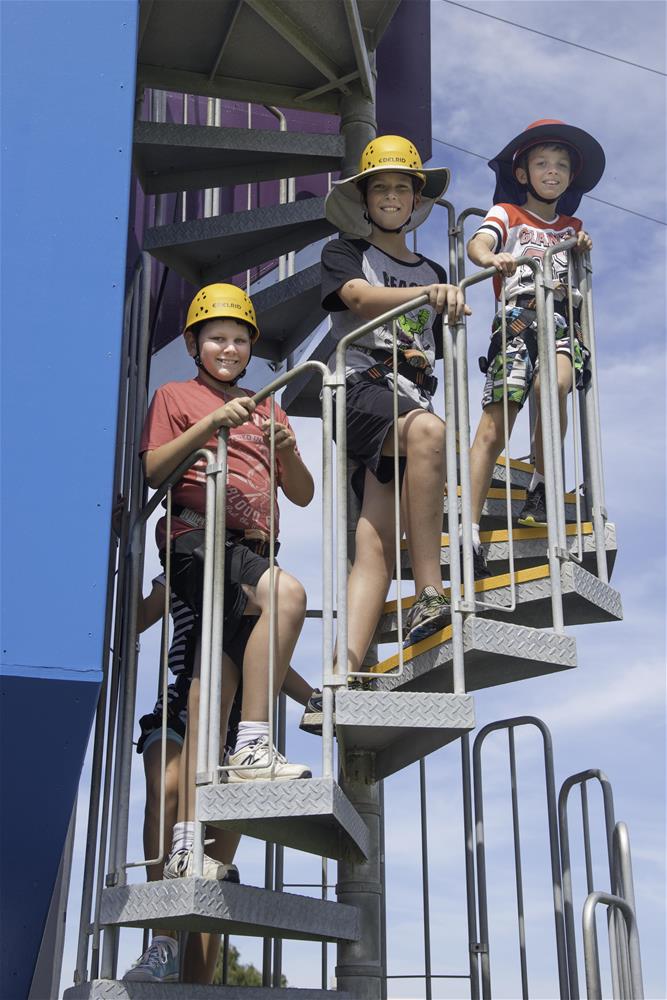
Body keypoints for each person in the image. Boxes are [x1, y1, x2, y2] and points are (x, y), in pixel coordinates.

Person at [139, 280, 315, 882]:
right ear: (194, 343)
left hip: (253, 549)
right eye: (217, 337)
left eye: (240, 339)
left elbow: (303, 492)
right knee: (287, 594)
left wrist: (286, 449)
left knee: (211, 690)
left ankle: (188, 843)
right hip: (197, 540)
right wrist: (211, 424)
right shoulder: (176, 396)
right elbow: (156, 469)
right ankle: (255, 743)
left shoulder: (267, 402)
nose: (229, 348)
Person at [124, 575, 320, 985]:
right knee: (168, 786)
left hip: (233, 722)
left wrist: (316, 698)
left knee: (214, 865)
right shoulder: (181, 567)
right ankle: (162, 941)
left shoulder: (257, 579)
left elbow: (268, 662)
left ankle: (194, 988)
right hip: (182, 700)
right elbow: (138, 618)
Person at [321, 134, 469, 662]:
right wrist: (426, 296)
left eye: (401, 188)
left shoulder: (435, 272)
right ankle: (430, 593)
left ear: (416, 201)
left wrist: (442, 298)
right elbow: (358, 300)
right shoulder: (345, 252)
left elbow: (435, 353)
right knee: (431, 432)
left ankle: (343, 669)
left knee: (376, 538)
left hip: (410, 397)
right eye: (378, 187)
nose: (389, 196)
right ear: (364, 199)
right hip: (361, 389)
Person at [467, 120, 605, 570]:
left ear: (569, 178)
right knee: (496, 423)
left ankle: (543, 487)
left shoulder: (572, 226)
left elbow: (580, 260)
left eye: (562, 165)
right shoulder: (508, 213)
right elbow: (479, 243)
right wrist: (492, 257)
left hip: (561, 319)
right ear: (523, 173)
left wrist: (581, 244)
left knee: (556, 385)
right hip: (517, 319)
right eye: (542, 163)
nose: (553, 171)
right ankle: (467, 521)